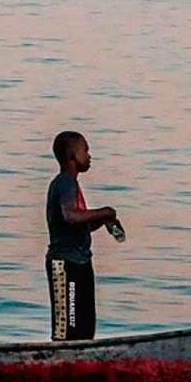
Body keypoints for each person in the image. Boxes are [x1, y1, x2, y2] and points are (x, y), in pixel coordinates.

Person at [45, 130, 123, 341]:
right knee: (67, 330)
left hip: (80, 262)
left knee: (85, 328)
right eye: (85, 150)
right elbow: (71, 216)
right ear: (72, 156)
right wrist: (105, 211)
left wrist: (101, 220)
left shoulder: (72, 185)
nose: (89, 156)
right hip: (65, 264)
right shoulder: (64, 183)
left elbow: (78, 225)